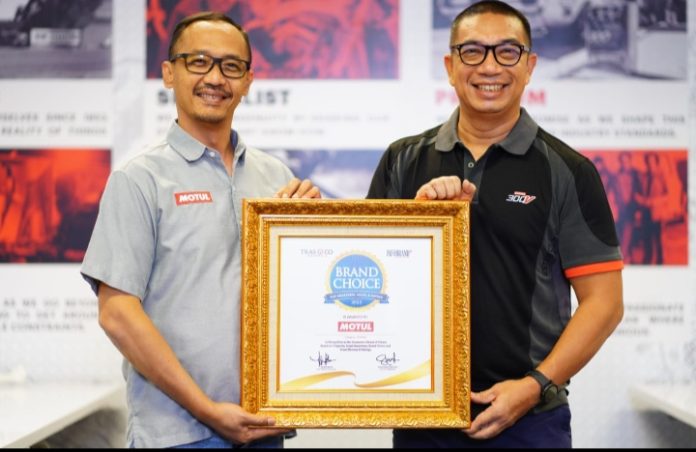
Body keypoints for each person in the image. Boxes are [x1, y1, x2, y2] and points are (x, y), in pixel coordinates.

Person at [367, 1, 623, 448]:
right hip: (423, 415)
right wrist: (419, 222)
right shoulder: (402, 160)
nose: (489, 67)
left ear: (529, 66)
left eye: (507, 52)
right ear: (450, 67)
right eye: (472, 52)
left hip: (530, 420)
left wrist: (534, 385)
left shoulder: (568, 171)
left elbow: (604, 303)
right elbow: (371, 281)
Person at [81, 11, 319, 448]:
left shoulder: (276, 176)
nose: (215, 78)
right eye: (198, 62)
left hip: (262, 425)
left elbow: (301, 298)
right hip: (177, 435)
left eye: (231, 66)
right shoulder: (140, 179)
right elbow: (117, 312)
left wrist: (314, 238)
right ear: (169, 73)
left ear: (248, 81)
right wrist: (208, 411)